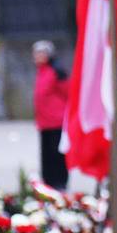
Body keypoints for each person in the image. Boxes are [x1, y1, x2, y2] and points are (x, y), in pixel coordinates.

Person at [32, 40, 70, 190]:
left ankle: (60, 182)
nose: (36, 56)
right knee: (46, 154)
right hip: (44, 122)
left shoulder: (57, 72)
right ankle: (48, 182)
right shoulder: (41, 71)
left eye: (40, 53)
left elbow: (67, 93)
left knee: (57, 154)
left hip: (57, 121)